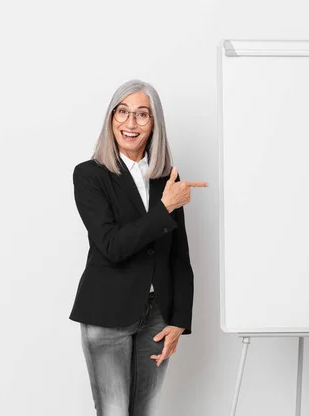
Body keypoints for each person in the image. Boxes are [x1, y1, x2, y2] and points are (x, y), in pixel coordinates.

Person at [69, 79, 207, 416]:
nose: (130, 124)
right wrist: (164, 209)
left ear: (154, 123)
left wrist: (179, 321)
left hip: (157, 316)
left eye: (142, 115)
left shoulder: (165, 179)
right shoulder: (90, 176)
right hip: (107, 314)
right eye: (123, 113)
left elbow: (179, 257)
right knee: (115, 411)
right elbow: (112, 246)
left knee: (146, 410)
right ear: (111, 118)